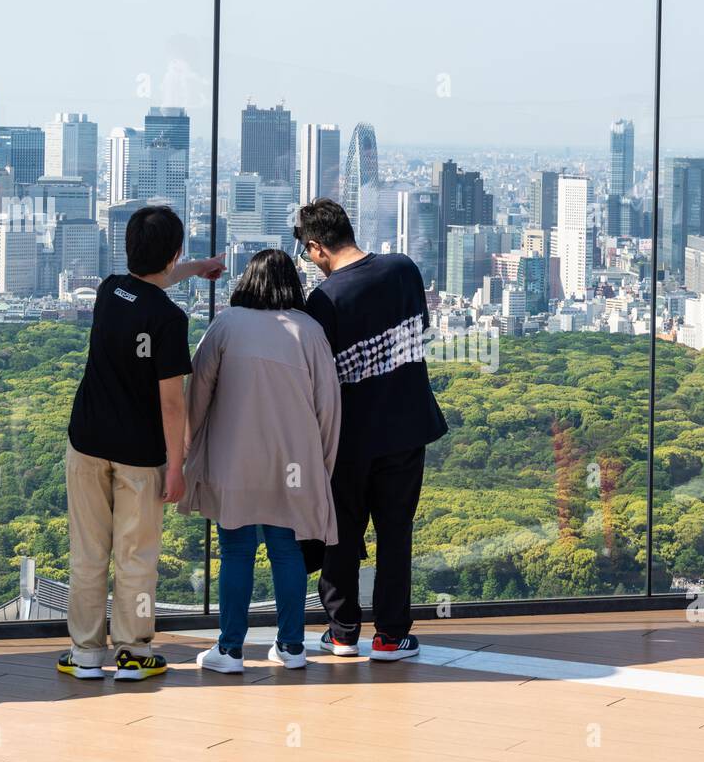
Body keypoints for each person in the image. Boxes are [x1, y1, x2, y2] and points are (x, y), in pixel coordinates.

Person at [59, 205, 223, 680]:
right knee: (136, 556)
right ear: (173, 254)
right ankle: (133, 650)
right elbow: (172, 403)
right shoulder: (169, 320)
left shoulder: (111, 291)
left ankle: (86, 654)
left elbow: (150, 283)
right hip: (141, 453)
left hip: (87, 442)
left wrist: (195, 267)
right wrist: (176, 466)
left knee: (87, 554)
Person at [293, 199, 447, 661]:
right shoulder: (404, 269)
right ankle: (391, 635)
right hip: (406, 427)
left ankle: (342, 632)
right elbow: (418, 330)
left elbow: (318, 375)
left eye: (307, 253)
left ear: (317, 248)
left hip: (348, 439)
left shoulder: (323, 300)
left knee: (340, 533)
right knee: (395, 533)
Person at [180, 249, 341, 673]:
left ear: (247, 280)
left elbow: (196, 393)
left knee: (236, 550)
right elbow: (329, 407)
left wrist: (185, 447)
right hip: (294, 463)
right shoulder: (309, 330)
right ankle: (291, 647)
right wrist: (322, 463)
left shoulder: (227, 324)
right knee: (286, 550)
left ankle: (230, 650)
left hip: (235, 458)